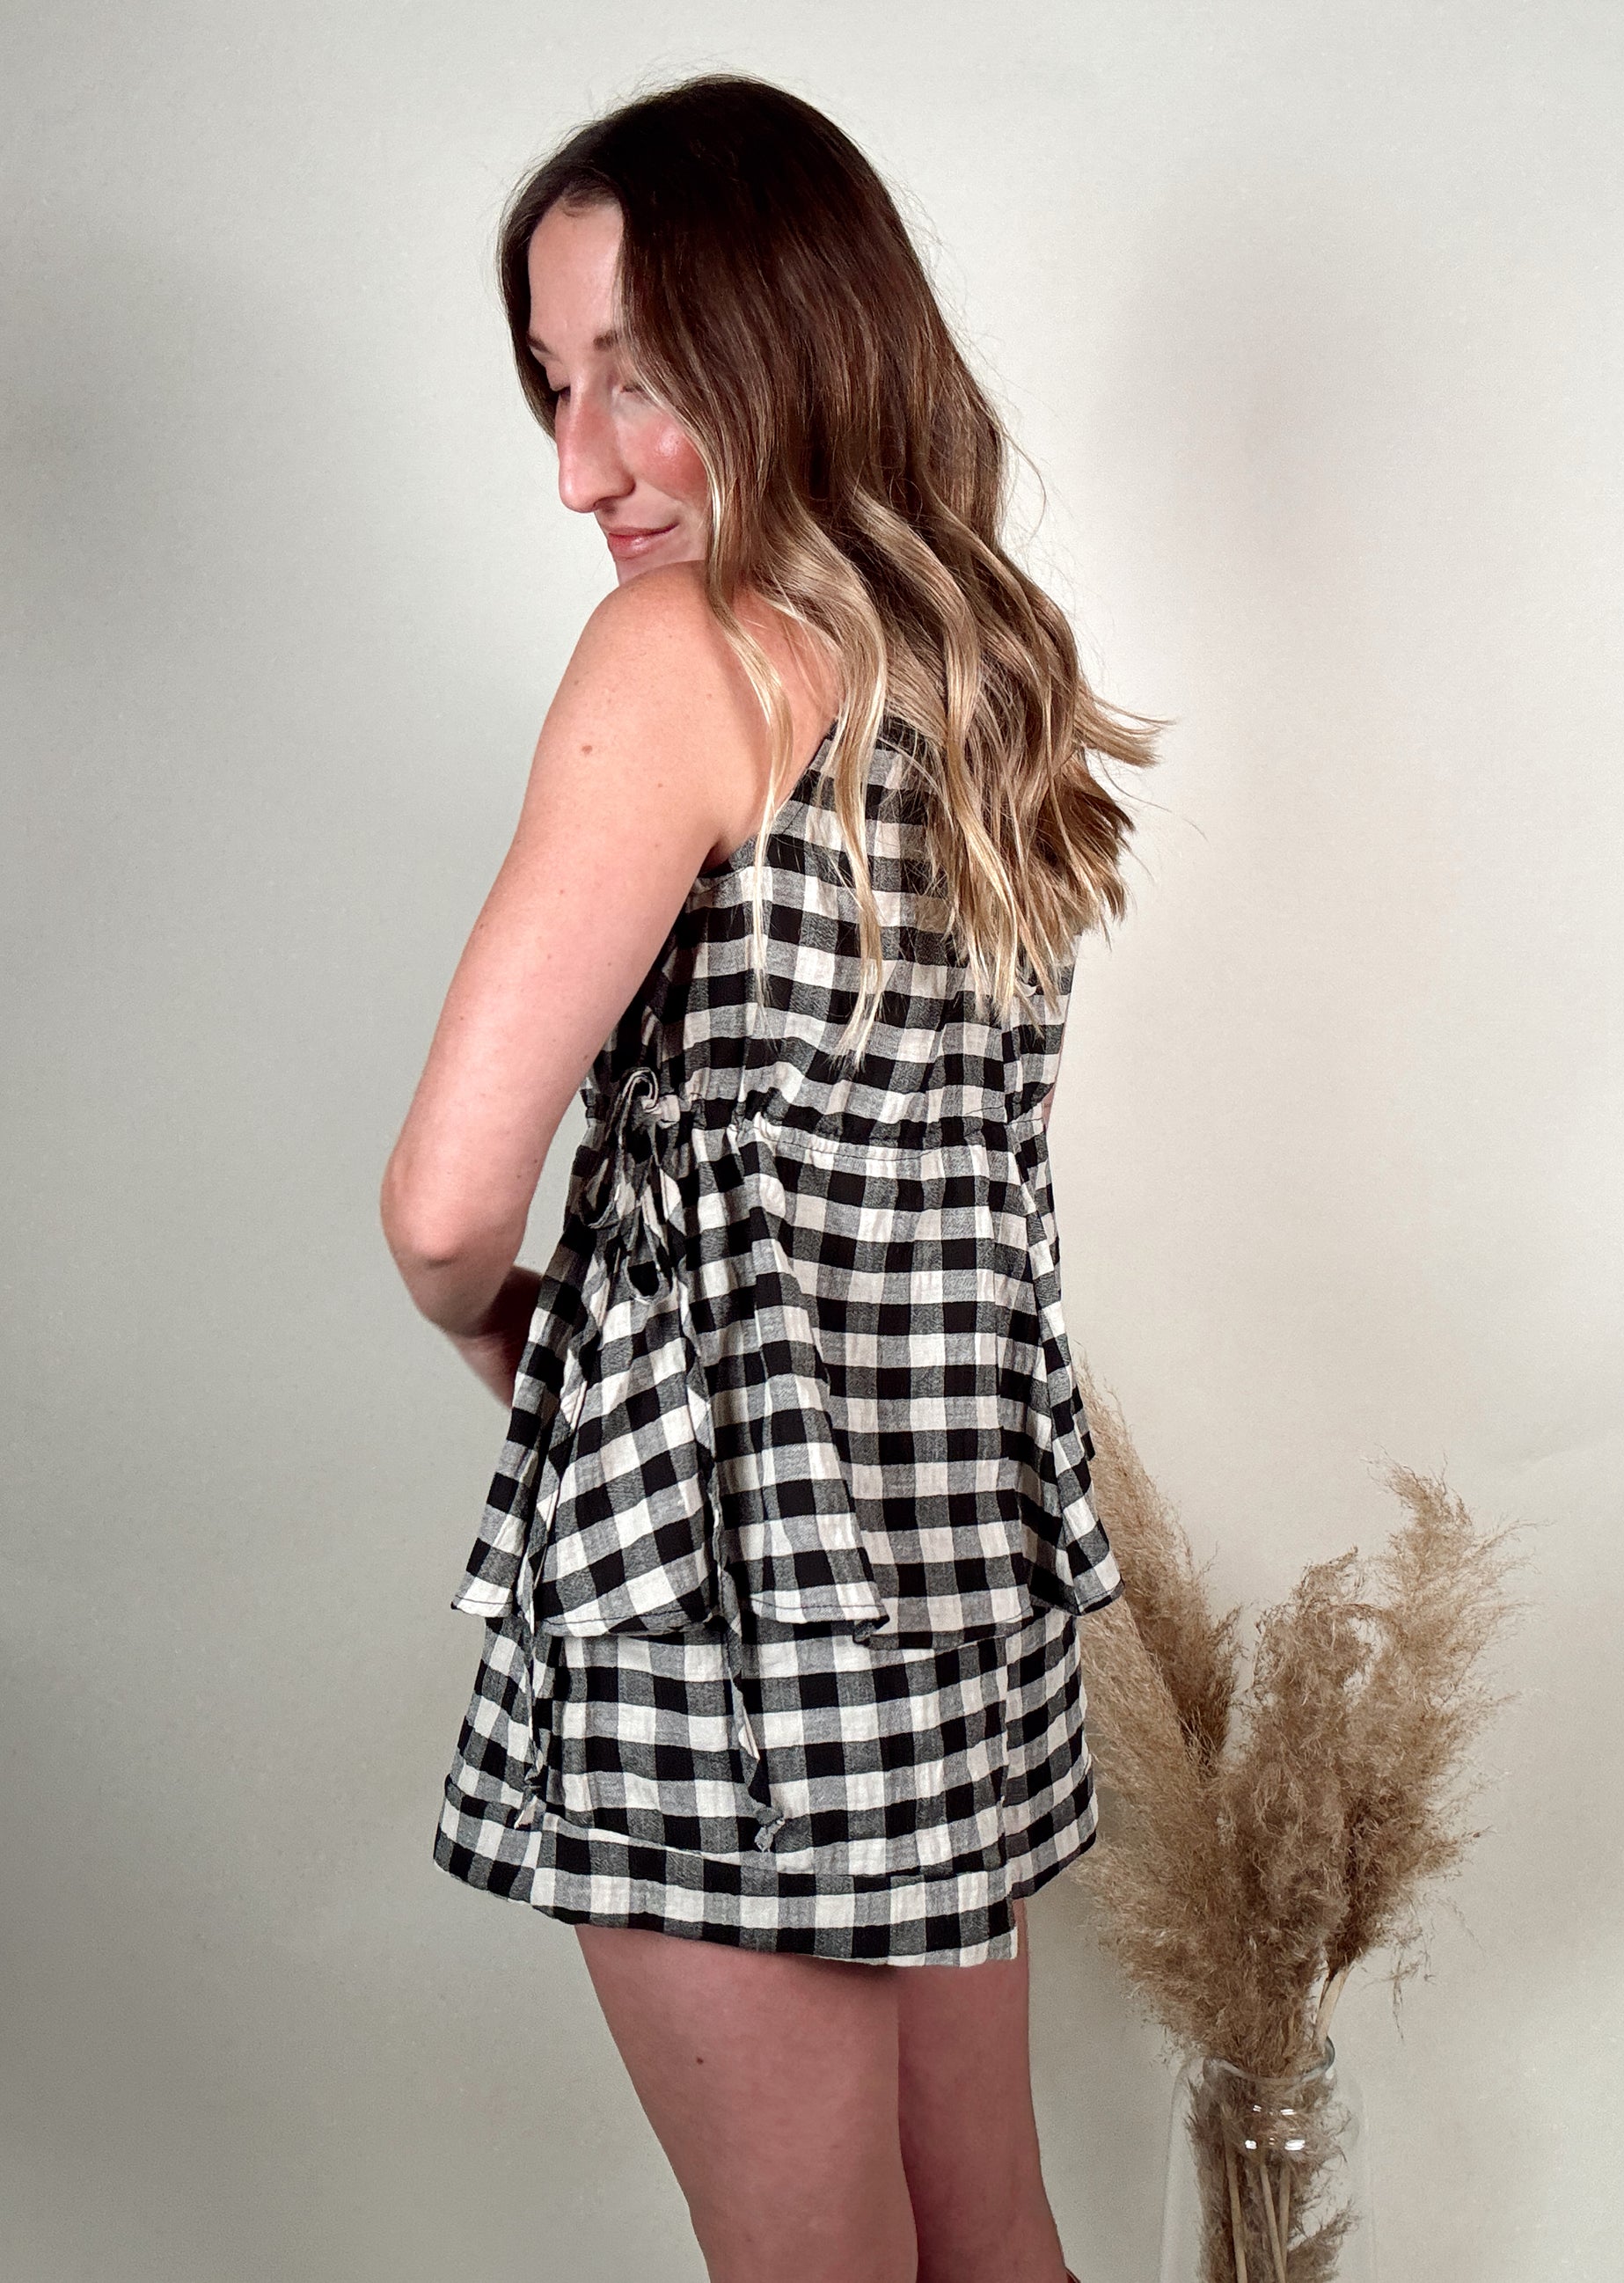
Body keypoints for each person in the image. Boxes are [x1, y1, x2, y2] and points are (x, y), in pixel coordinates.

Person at [381, 70, 1161, 2283]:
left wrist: (493, 1320)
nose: (579, 464)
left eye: (636, 376)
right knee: (992, 2233)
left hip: (722, 1580)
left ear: (793, 335)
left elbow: (443, 1200)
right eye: (554, 386)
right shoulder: (990, 655)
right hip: (952, 1553)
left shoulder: (684, 649)